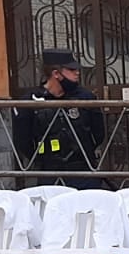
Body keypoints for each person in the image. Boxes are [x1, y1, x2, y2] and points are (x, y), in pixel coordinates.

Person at [12, 49, 105, 189]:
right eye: (71, 69)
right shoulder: (31, 101)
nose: (77, 73)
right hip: (49, 171)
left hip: (82, 169)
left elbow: (99, 133)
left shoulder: (85, 97)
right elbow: (22, 140)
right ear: (56, 73)